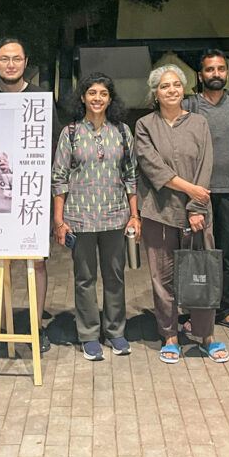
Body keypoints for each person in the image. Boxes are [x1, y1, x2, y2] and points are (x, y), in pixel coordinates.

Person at [136, 64, 228, 363]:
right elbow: (153, 168)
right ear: (155, 93)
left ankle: (207, 335)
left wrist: (196, 207)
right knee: (162, 278)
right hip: (158, 212)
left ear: (184, 88)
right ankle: (170, 335)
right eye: (164, 86)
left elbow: (206, 165)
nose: (171, 90)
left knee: (202, 273)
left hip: (197, 214)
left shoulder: (199, 123)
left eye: (176, 85)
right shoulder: (145, 125)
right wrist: (191, 190)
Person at [52, 73, 139, 361]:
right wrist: (59, 220)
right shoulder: (71, 133)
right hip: (80, 218)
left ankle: (115, 331)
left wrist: (134, 215)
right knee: (85, 279)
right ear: (82, 97)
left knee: (115, 277)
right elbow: (59, 179)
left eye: (103, 93)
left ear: (110, 98)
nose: (97, 98)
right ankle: (89, 334)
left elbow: (130, 176)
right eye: (92, 93)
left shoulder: (123, 132)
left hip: (116, 216)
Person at [0, 38, 55, 353]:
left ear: (26, 62)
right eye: (4, 58)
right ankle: (2, 326)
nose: (11, 64)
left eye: (17, 59)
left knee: (35, 261)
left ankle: (36, 327)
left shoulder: (41, 98)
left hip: (33, 193)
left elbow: (53, 147)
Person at [180, 50, 229, 336]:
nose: (216, 74)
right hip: (196, 194)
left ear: (227, 73)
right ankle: (195, 310)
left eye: (221, 69)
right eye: (210, 70)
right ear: (200, 75)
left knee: (226, 254)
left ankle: (226, 309)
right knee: (197, 254)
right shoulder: (189, 106)